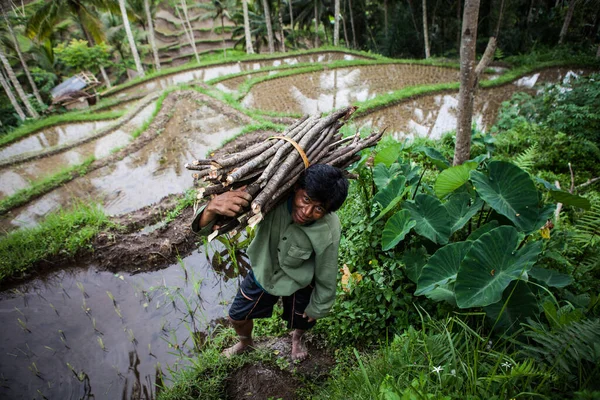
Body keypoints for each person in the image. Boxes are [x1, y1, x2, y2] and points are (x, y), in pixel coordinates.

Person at [191, 164, 349, 361]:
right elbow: (207, 230)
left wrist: (320, 305)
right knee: (237, 316)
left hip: (300, 280)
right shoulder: (269, 198)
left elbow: (327, 267)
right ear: (296, 188)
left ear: (328, 211)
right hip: (262, 271)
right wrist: (211, 207)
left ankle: (297, 337)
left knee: (303, 318)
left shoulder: (329, 227)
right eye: (306, 199)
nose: (307, 211)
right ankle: (245, 342)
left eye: (319, 208)